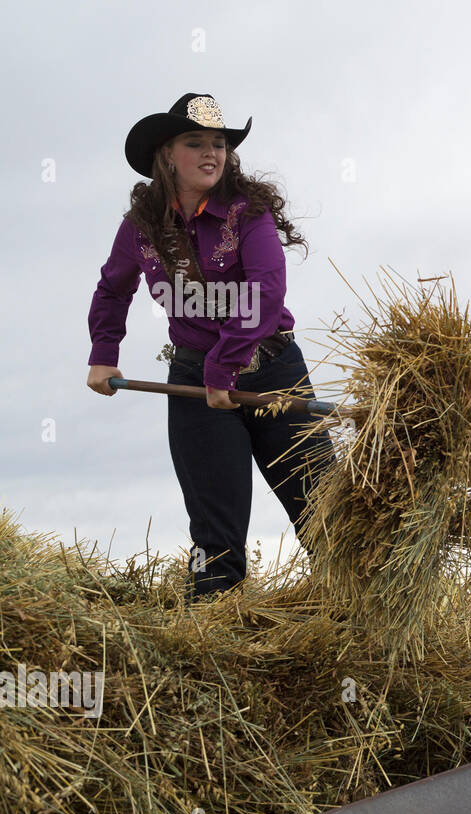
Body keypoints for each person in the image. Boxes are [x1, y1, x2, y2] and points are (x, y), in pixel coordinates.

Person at [85, 92, 333, 599]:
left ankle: (365, 628)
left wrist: (225, 368)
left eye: (219, 144)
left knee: (326, 515)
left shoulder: (249, 212)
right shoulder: (141, 228)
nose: (211, 153)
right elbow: (113, 288)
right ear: (165, 155)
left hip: (274, 372)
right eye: (195, 142)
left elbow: (266, 293)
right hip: (194, 382)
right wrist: (103, 355)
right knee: (214, 540)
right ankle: (214, 644)